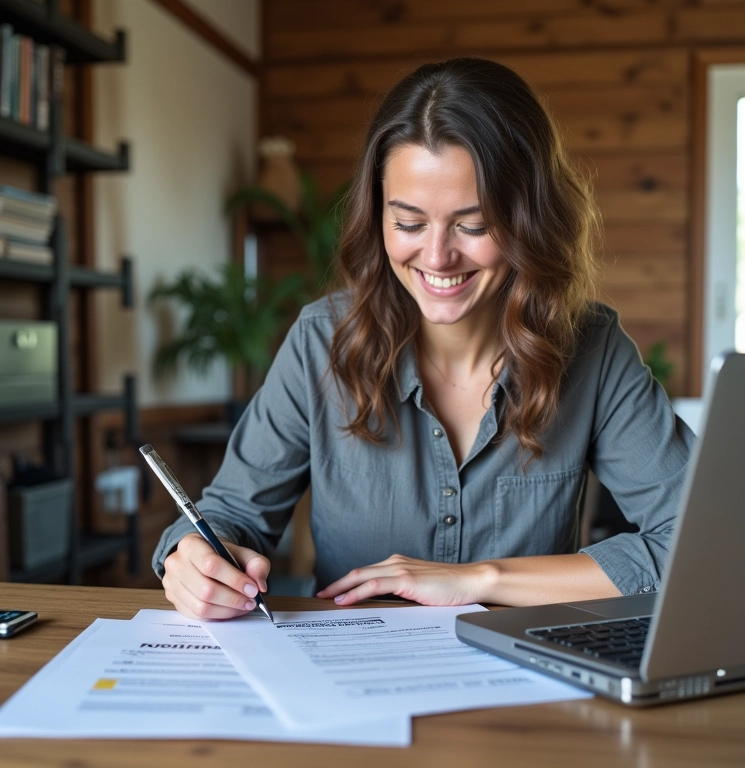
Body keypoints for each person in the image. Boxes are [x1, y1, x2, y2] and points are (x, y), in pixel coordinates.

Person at [153, 57, 694, 620]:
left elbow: (703, 537)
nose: (436, 257)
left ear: (529, 219)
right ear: (377, 214)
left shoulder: (592, 349)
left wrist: (479, 580)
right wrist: (194, 560)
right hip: (347, 681)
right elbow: (230, 515)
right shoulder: (321, 342)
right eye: (409, 224)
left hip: (523, 687)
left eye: (474, 225)